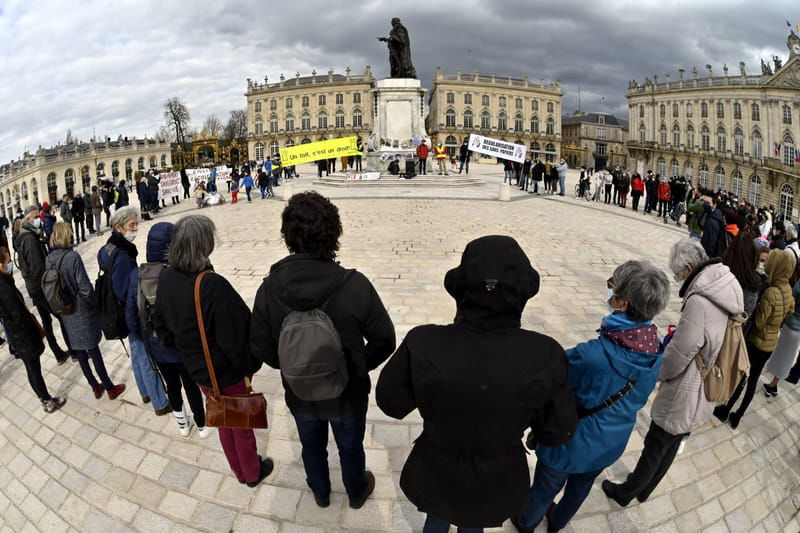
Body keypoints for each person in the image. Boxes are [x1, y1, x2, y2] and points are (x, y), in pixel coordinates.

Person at [378, 236, 577, 533]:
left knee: (437, 516)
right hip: (497, 478)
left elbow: (391, 403)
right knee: (474, 522)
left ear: (460, 289)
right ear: (523, 292)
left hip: (436, 469)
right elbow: (557, 432)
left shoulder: (424, 342)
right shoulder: (545, 355)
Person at [250, 192, 396, 509]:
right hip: (347, 393)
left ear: (287, 236)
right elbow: (385, 340)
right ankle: (356, 491)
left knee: (311, 446)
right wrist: (355, 365)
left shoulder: (269, 288)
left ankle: (320, 492)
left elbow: (260, 345)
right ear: (334, 233)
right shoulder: (354, 285)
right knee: (350, 446)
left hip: (300, 392)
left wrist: (292, 365)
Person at [518, 260, 670, 531]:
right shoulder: (655, 349)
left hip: (570, 440)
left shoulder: (592, 355)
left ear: (622, 303)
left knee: (546, 486)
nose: (608, 293)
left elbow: (553, 382)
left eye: (612, 288)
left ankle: (526, 522)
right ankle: (557, 522)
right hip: (612, 440)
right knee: (580, 487)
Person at [602, 239, 743, 506]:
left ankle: (627, 492)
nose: (677, 279)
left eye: (678, 274)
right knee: (673, 440)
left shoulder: (700, 300)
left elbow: (680, 353)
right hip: (706, 378)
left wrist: (655, 374)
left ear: (689, 268)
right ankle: (646, 489)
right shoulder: (724, 283)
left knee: (657, 443)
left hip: (687, 386)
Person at [154, 215, 272, 487]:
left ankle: (239, 471)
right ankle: (252, 473)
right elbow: (236, 336)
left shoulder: (167, 277)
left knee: (222, 419)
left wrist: (187, 349)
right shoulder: (211, 284)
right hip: (225, 371)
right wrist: (249, 367)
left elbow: (161, 325)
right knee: (240, 424)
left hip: (198, 370)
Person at [126, 222, 208, 435]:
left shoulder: (138, 274)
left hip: (156, 344)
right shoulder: (175, 273)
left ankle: (182, 425)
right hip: (180, 344)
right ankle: (201, 425)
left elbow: (131, 314)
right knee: (191, 385)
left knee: (171, 385)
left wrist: (144, 339)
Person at [714, 248, 794, 428]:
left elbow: (759, 322)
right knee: (754, 379)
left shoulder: (770, 292)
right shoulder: (788, 289)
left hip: (757, 341)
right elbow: (789, 311)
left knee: (742, 376)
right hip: (771, 342)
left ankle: (726, 410)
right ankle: (738, 416)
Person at [47, 222, 127, 400]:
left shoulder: (49, 258)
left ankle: (94, 386)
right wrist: (94, 304)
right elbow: (85, 289)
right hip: (80, 310)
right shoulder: (72, 257)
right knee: (93, 349)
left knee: (79, 350)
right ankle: (109, 387)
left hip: (65, 310)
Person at [0, 245, 67, 413]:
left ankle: (43, 398)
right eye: (7, 261)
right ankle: (47, 400)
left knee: (31, 368)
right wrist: (30, 330)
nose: (10, 265)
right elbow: (16, 314)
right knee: (34, 368)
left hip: (16, 335)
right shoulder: (4, 287)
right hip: (21, 334)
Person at [15, 205, 72, 364]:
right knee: (62, 317)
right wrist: (49, 284)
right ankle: (73, 351)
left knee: (46, 321)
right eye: (35, 217)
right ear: (27, 219)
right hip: (41, 287)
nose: (38, 220)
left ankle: (59, 354)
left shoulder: (24, 235)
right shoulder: (29, 238)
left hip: (33, 287)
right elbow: (37, 267)